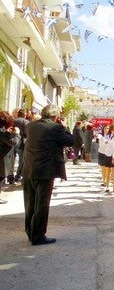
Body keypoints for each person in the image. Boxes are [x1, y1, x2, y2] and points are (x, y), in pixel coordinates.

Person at [23, 105, 74, 245]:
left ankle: (30, 231)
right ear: (55, 117)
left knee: (30, 203)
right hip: (45, 170)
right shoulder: (55, 128)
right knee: (42, 204)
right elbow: (70, 141)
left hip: (29, 169)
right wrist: (64, 127)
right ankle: (38, 235)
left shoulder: (30, 126)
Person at [0, 111, 21, 204]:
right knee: (0, 177)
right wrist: (17, 134)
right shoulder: (1, 132)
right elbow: (13, 142)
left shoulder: (3, 131)